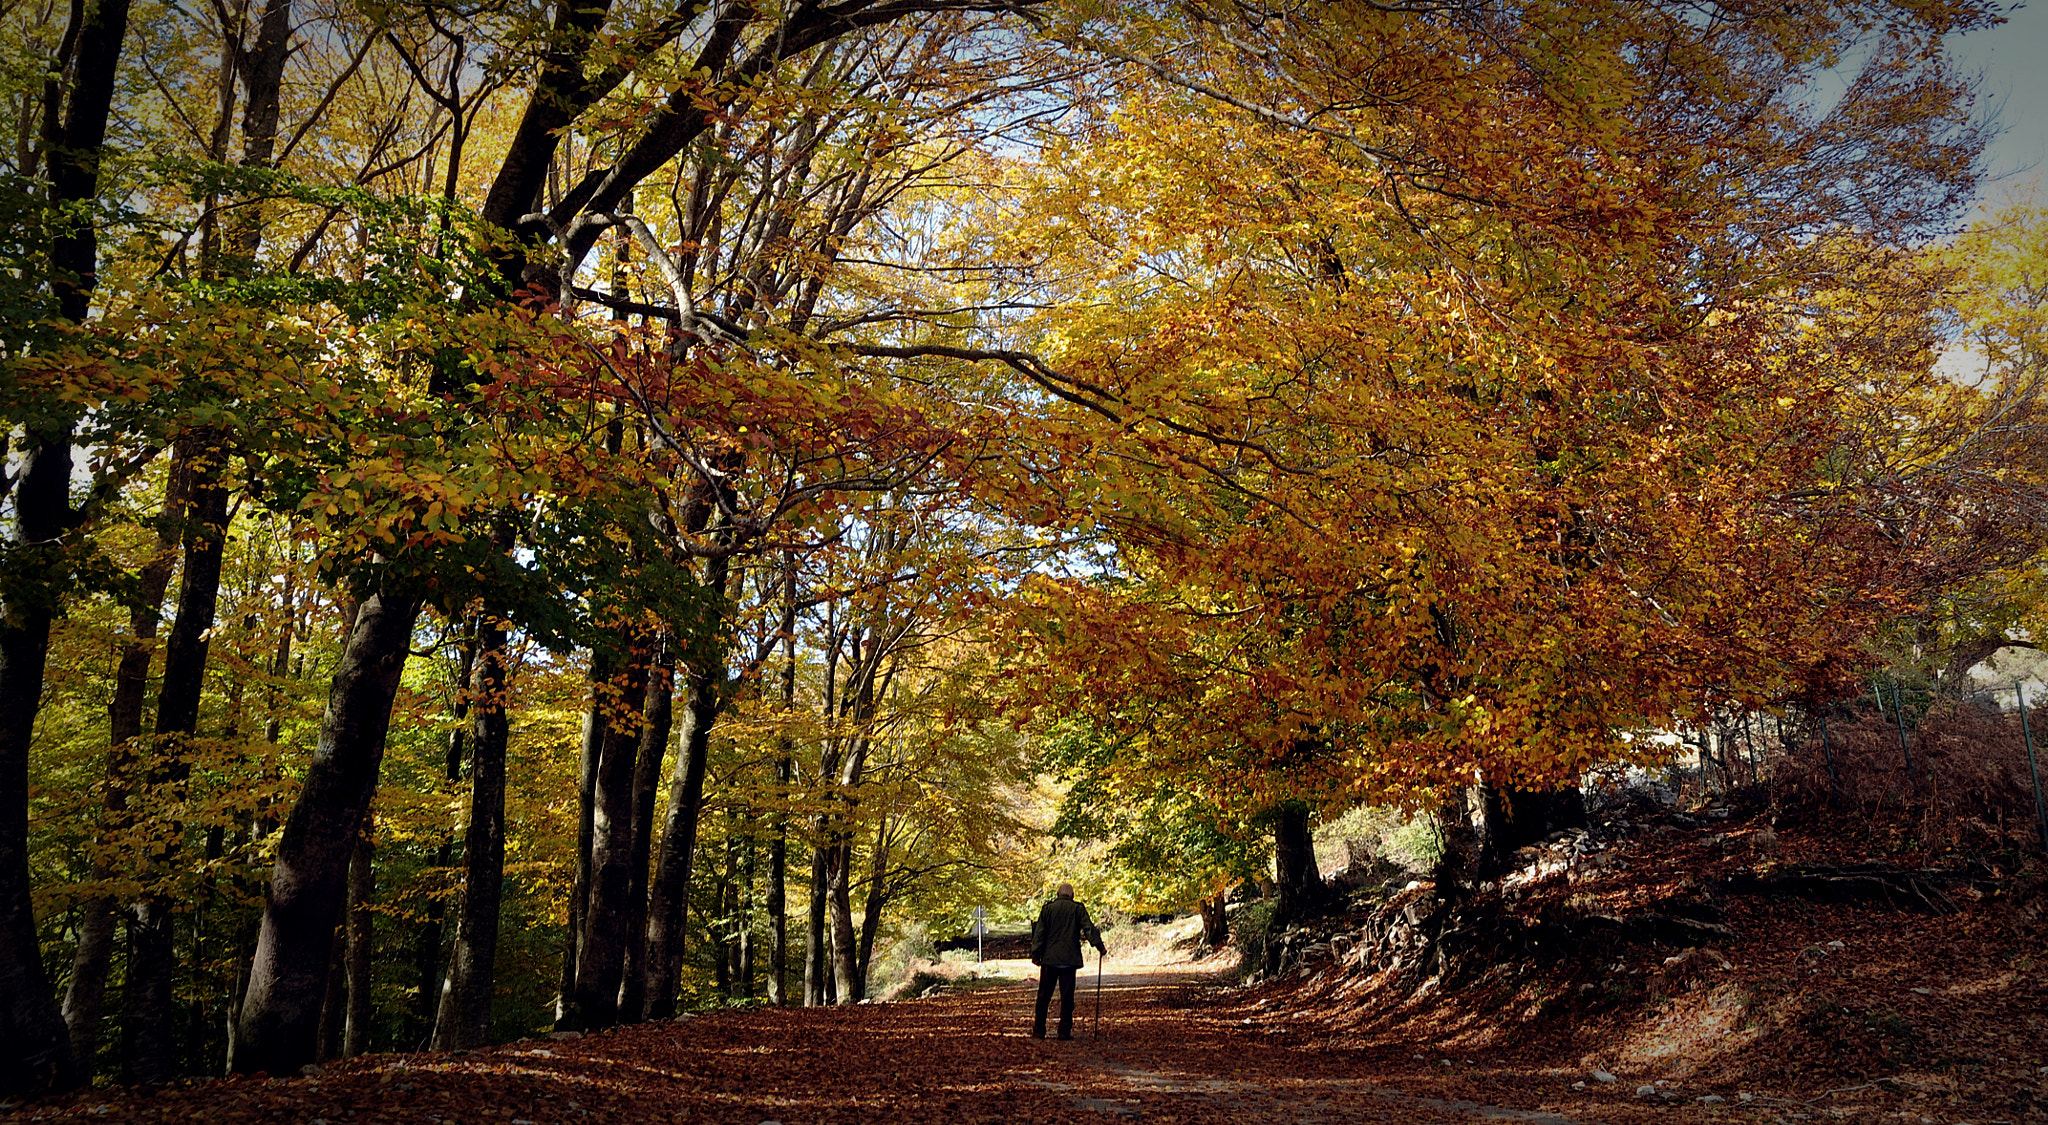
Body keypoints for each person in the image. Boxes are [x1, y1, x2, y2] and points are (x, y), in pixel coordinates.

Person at [1029, 882, 1105, 1040]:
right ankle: (1063, 1032)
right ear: (1072, 895)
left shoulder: (1047, 909)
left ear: (1057, 894)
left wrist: (1036, 954)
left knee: (1043, 996)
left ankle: (1039, 1030)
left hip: (1049, 959)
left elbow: (1039, 933)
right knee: (1067, 997)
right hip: (1069, 960)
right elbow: (1088, 928)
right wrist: (1099, 946)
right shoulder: (1077, 909)